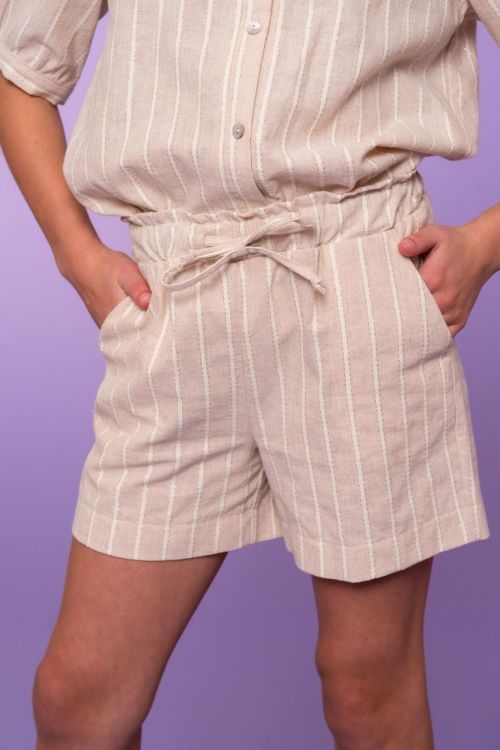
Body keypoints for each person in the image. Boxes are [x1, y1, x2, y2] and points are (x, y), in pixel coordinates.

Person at [0, 1, 498, 748]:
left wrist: (486, 244)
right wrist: (76, 254)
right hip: (176, 301)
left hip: (356, 294)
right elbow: (20, 69)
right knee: (77, 699)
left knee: (366, 690)